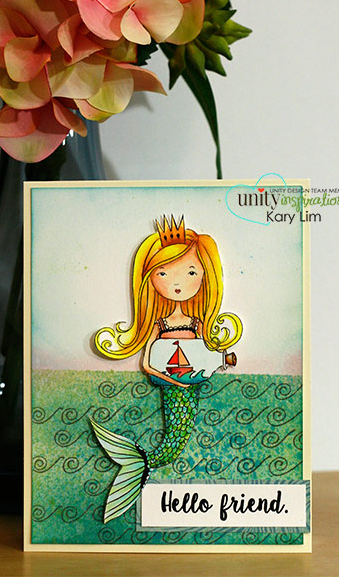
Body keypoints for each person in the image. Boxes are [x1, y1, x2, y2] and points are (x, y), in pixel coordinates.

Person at [90, 216, 242, 522]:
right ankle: (141, 463)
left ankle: (141, 463)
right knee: (174, 432)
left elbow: (204, 356)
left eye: (191, 271)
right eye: (163, 272)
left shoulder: (198, 324)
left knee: (179, 435)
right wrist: (170, 380)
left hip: (189, 386)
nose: (178, 282)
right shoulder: (158, 326)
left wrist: (220, 361)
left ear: (205, 275)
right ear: (149, 278)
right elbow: (147, 364)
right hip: (173, 387)